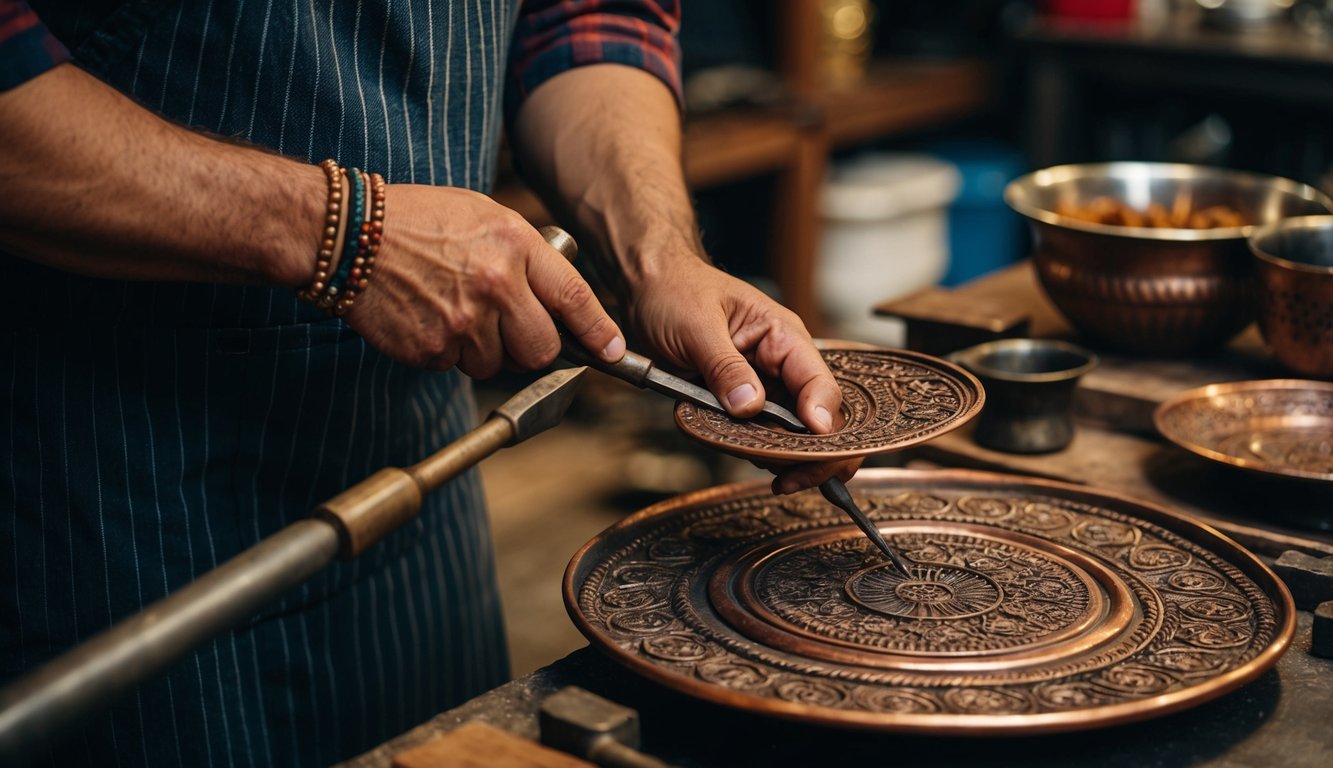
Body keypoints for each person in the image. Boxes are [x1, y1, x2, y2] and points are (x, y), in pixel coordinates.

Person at [0, 1, 855, 765]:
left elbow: (586, 19)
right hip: (111, 496)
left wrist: (657, 256)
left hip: (416, 470)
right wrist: (335, 233)